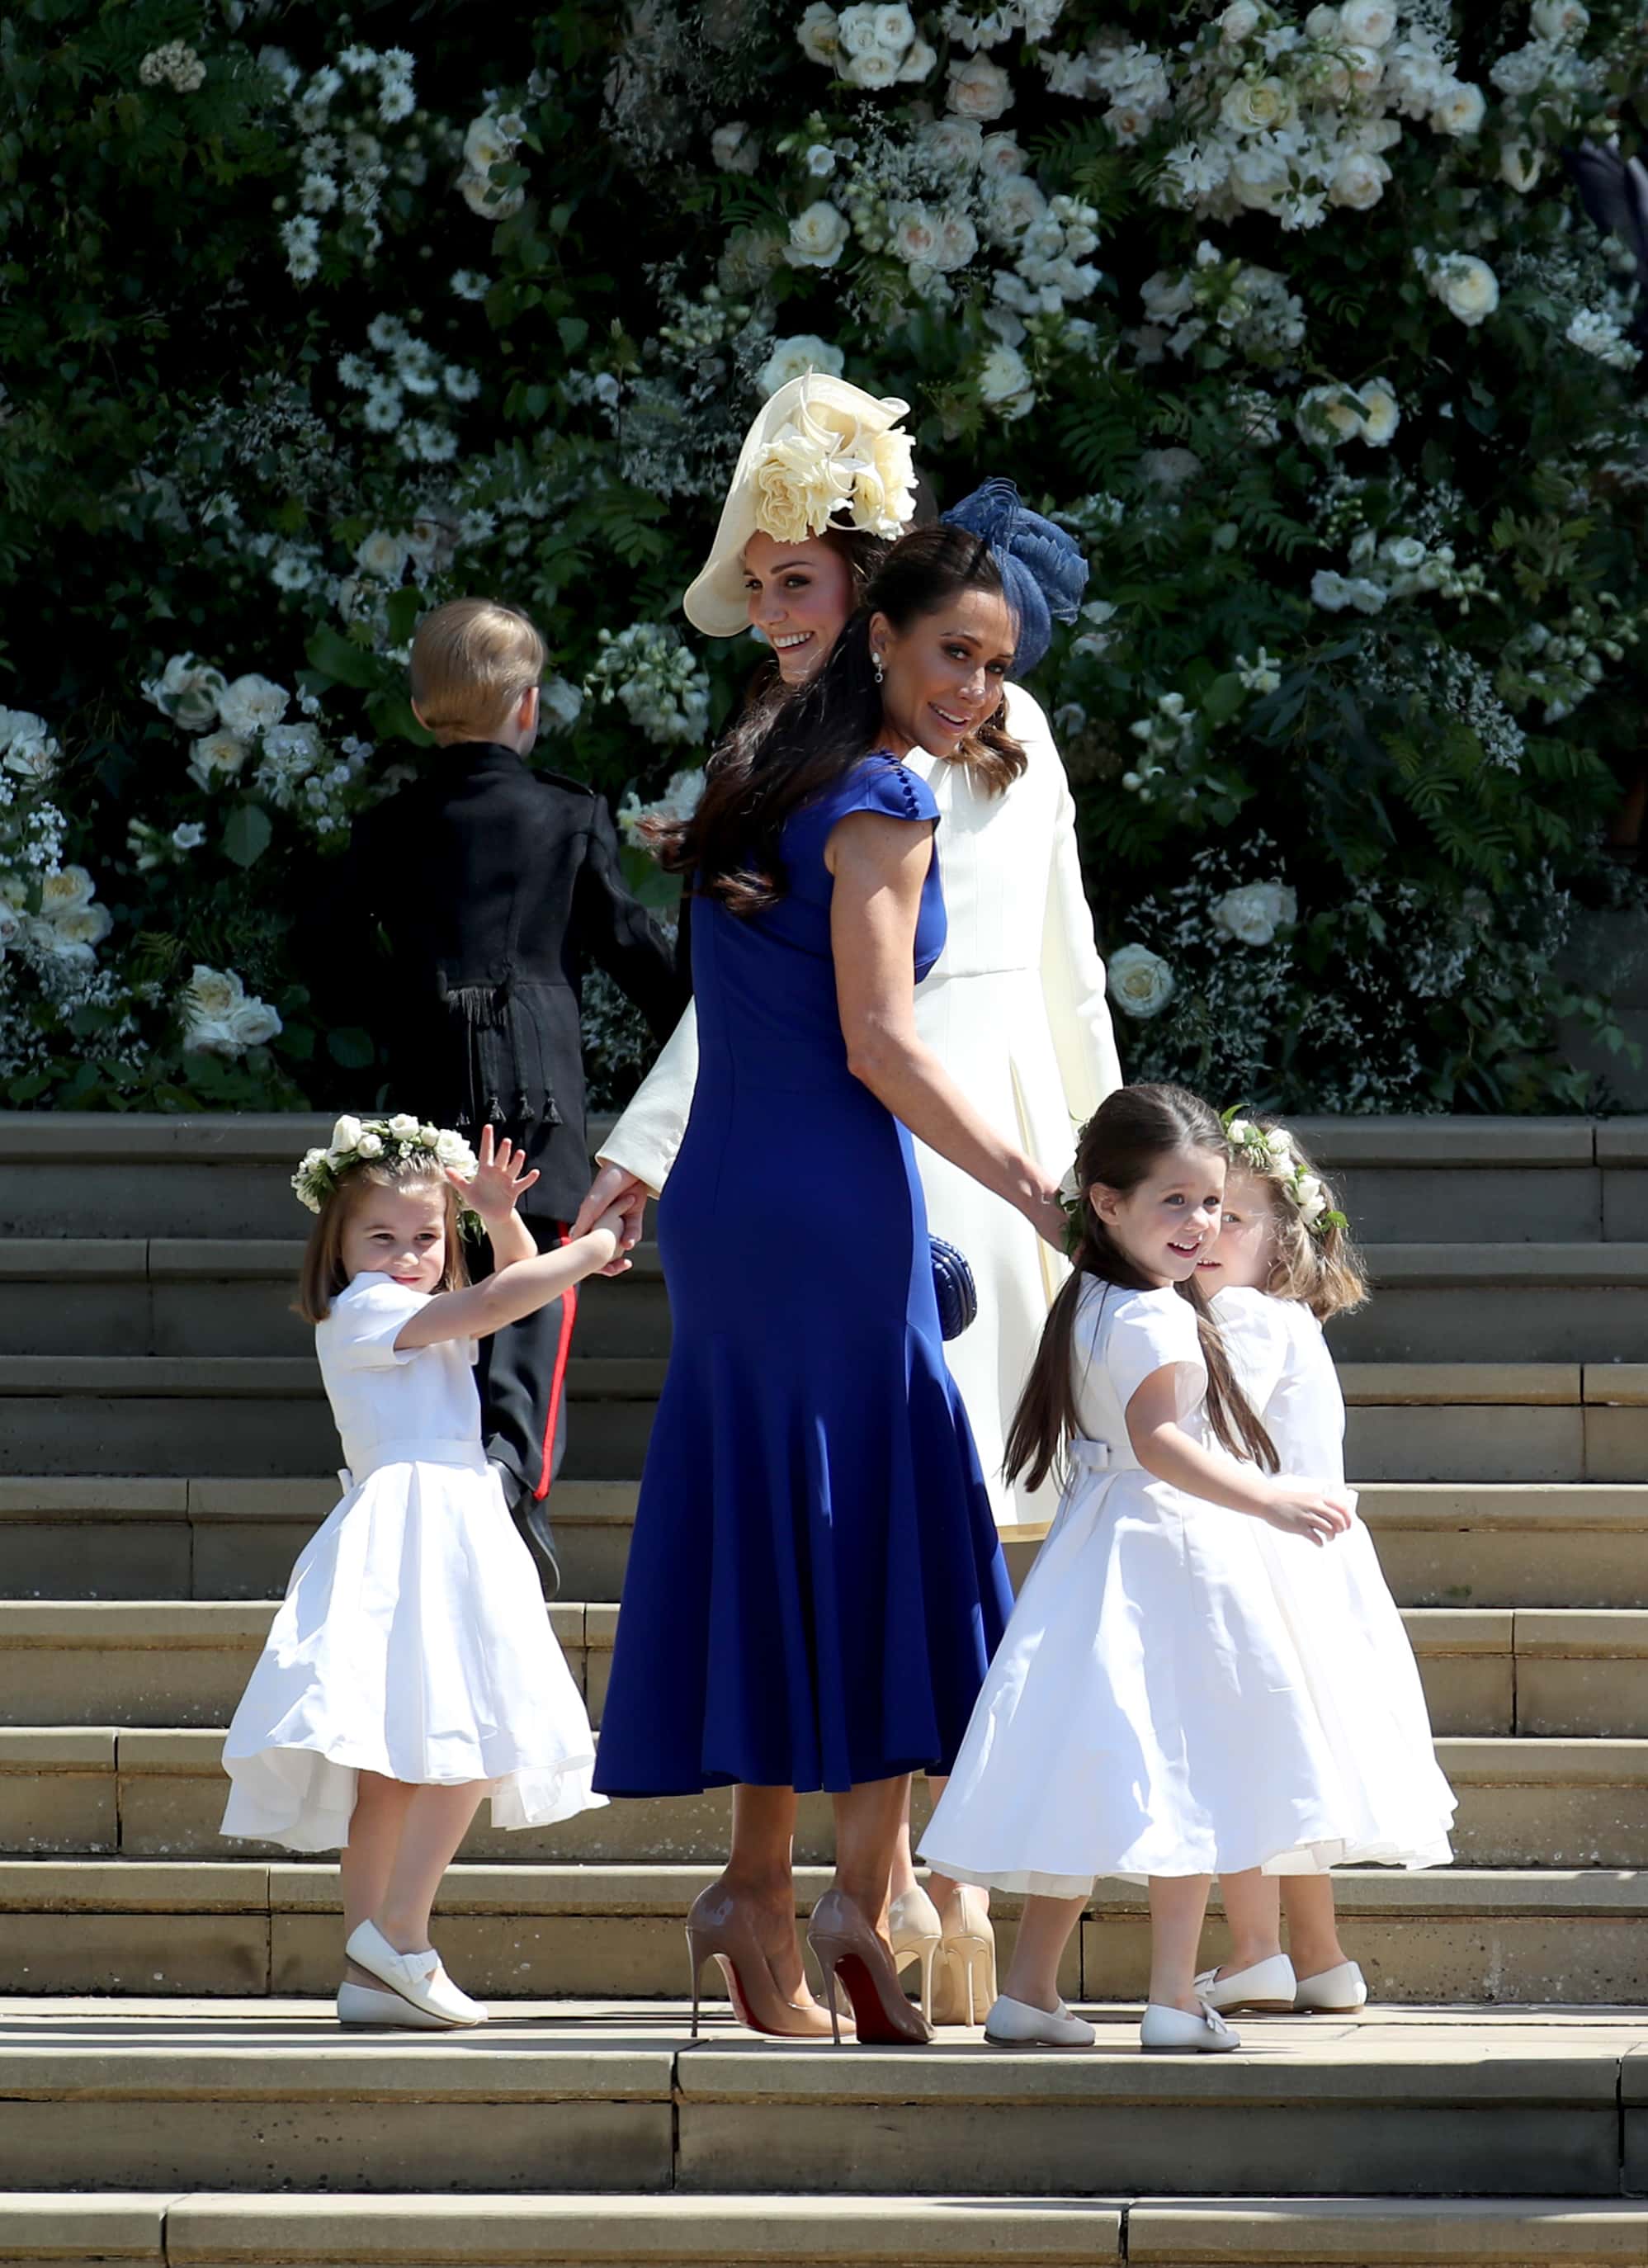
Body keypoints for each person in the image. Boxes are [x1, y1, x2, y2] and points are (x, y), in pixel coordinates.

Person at [578, 383, 1121, 2024]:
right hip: (846, 1181)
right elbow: (879, 1040)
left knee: (781, 1517)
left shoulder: (757, 758)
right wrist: (1044, 1189)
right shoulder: (879, 795)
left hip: (742, 1200)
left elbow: (777, 1008)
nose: (972, 685)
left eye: (991, 662)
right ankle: (849, 1901)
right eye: (952, 653)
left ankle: (776, 1893)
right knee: (885, 1521)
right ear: (889, 634)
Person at [920, 1085, 1361, 2054]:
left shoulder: (1091, 1295)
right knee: (1187, 1770)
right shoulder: (1156, 1316)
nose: (1201, 1224)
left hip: (1099, 1550)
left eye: (1211, 1204)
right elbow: (1159, 1442)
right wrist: (1271, 1496)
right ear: (1105, 1202)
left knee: (1091, 1765)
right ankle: (1171, 1997)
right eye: (1175, 1202)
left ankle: (1030, 1988)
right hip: (1171, 1551)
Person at [220, 1117, 633, 2030]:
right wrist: (595, 1244)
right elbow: (496, 1304)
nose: (407, 1255)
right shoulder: (366, 1310)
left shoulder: (410, 1307)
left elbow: (511, 1295)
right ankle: (400, 1934)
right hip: (420, 1520)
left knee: (398, 1772)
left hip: (441, 1515)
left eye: (426, 1238)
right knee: (473, 1733)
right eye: (383, 1237)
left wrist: (496, 1216)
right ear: (341, 1245)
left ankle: (372, 1974)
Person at [324, 599, 687, 1589]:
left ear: (416, 707)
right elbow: (631, 952)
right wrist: (709, 1033)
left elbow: (325, 952)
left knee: (434, 1272)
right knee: (536, 1285)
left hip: (431, 1074)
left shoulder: (389, 824)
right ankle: (512, 1475)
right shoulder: (568, 812)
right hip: (540, 1083)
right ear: (527, 707)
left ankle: (449, 1470)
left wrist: (401, 1002)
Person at [1194, 1113, 1455, 2019]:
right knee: (1292, 1765)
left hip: (1258, 1560)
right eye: (1193, 1208)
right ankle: (1320, 1956)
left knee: (1245, 1756)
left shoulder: (1237, 1317)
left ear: (1278, 1243)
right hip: (1312, 1566)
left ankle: (1255, 1948)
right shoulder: (1287, 1320)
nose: (1203, 1231)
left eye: (1231, 1218)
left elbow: (1206, 1439)